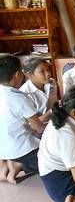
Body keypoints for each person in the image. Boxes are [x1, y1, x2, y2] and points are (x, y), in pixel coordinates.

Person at [0, 54, 44, 183]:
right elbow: (39, 127)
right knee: (56, 163)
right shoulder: (19, 98)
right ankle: (19, 165)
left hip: (3, 149)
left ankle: (6, 165)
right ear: (18, 74)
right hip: (21, 150)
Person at [20, 57, 58, 121]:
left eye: (48, 70)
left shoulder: (51, 82)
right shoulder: (24, 94)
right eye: (42, 71)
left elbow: (54, 103)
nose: (48, 74)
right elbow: (33, 124)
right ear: (30, 75)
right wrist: (52, 111)